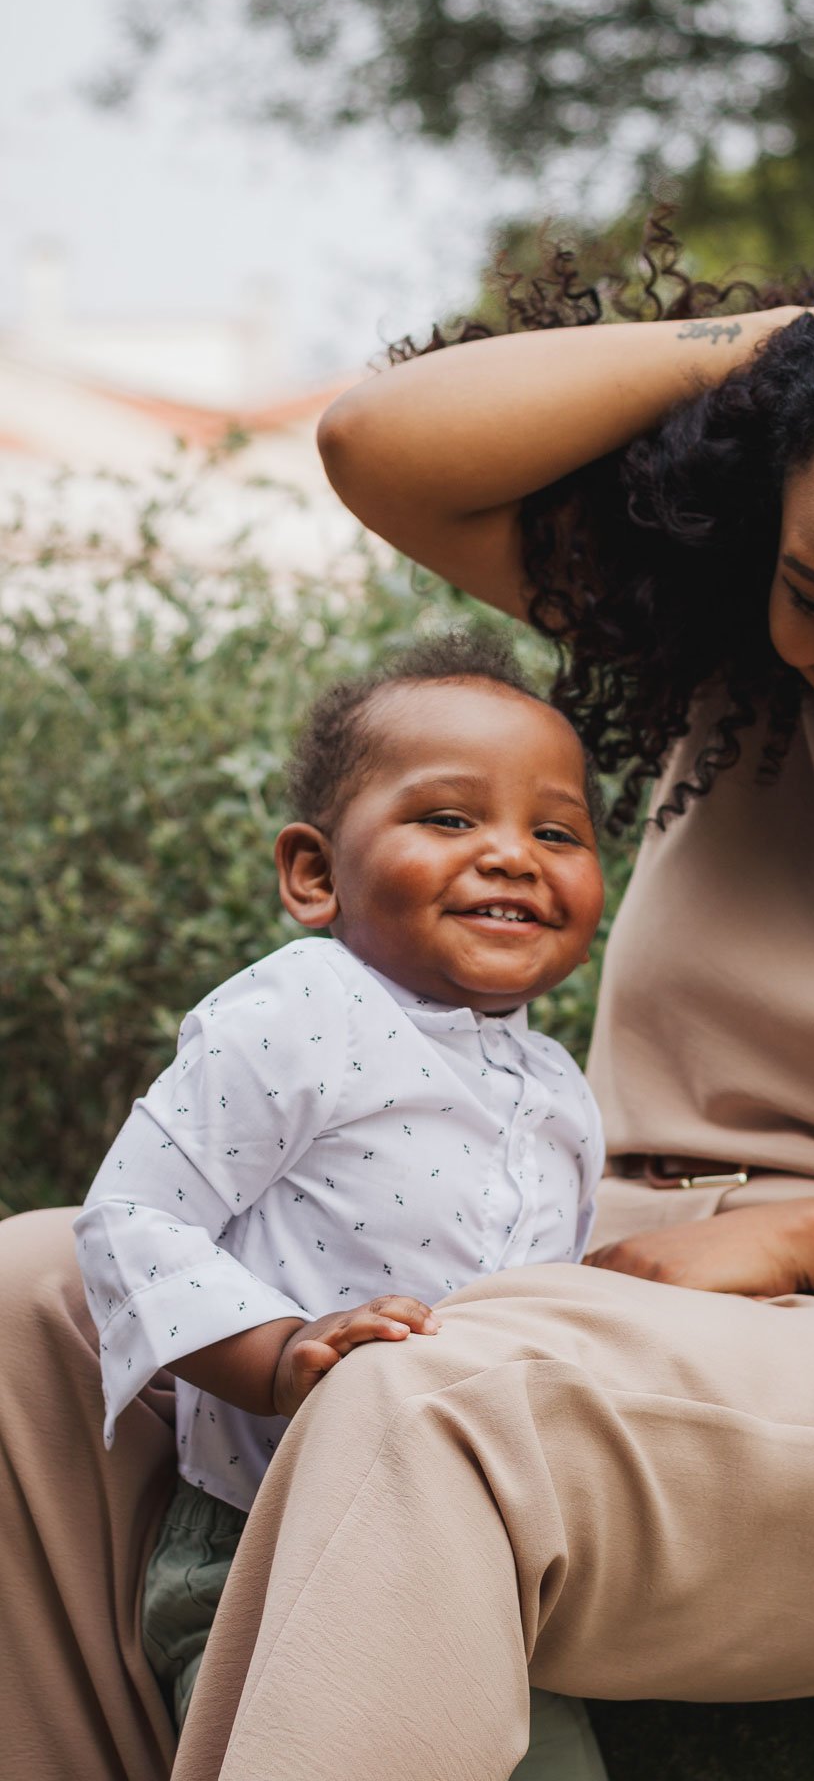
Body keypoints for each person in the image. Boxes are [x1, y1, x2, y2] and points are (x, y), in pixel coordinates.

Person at [2, 196, 814, 1781]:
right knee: (37, 1297)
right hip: (587, 1281)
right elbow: (383, 444)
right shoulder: (735, 648)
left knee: (433, 1407)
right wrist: (803, 352)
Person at [74, 630, 610, 1777]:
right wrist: (276, 1353)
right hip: (271, 1553)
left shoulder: (559, 1089)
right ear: (314, 874)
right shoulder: (304, 1008)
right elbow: (132, 1220)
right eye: (451, 820)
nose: (513, 856)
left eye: (554, 831)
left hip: (482, 1566)